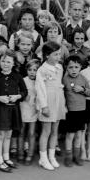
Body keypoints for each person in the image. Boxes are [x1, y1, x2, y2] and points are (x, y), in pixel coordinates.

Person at [0, 49, 27, 173]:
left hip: (13, 109)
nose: (5, 64)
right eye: (3, 61)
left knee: (9, 135)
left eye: (8, 62)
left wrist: (18, 96)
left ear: (14, 63)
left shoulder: (17, 76)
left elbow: (24, 92)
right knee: (0, 135)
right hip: (1, 109)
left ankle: (6, 158)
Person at [35, 41, 66, 170]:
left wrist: (63, 104)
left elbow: (59, 85)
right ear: (47, 55)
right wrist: (44, 106)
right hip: (48, 102)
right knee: (46, 131)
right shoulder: (42, 70)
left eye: (59, 54)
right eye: (55, 54)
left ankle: (51, 156)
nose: (58, 57)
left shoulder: (59, 67)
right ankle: (43, 158)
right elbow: (40, 89)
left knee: (55, 131)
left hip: (58, 100)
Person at [62, 55, 90, 167]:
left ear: (80, 67)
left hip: (82, 110)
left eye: (76, 67)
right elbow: (61, 94)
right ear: (66, 68)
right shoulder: (64, 79)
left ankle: (77, 156)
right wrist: (63, 106)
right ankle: (68, 157)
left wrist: (83, 89)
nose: (73, 70)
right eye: (70, 67)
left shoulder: (83, 79)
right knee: (70, 135)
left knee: (79, 134)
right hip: (70, 111)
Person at [18, 59, 40, 165]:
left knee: (31, 133)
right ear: (26, 70)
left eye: (35, 70)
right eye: (30, 70)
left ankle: (30, 155)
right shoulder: (23, 80)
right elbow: (20, 93)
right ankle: (20, 153)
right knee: (21, 132)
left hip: (34, 109)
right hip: (23, 107)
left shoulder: (39, 81)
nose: (32, 72)